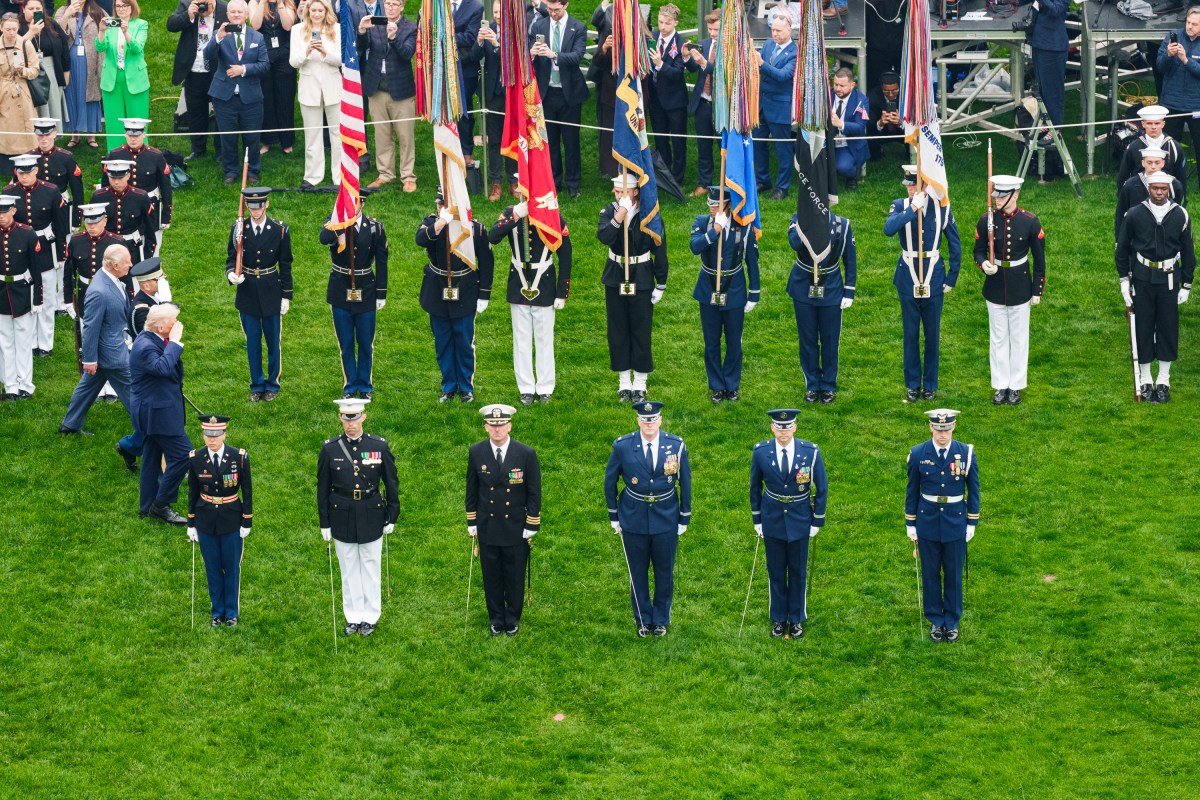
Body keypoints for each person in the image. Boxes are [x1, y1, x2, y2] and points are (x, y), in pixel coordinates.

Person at [604, 400, 691, 638]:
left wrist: (685, 516)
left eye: (653, 420)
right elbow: (609, 481)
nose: (649, 424)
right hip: (633, 517)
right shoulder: (623, 446)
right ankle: (643, 618)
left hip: (666, 517)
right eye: (644, 420)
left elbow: (685, 482)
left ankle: (660, 619)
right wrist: (614, 515)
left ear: (660, 420)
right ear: (638, 421)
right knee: (637, 572)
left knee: (664, 571)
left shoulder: (676, 445)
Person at [316, 398, 400, 637]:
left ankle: (370, 617)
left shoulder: (379, 446)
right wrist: (325, 522)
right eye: (345, 418)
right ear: (340, 418)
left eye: (354, 418)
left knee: (371, 567)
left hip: (371, 511)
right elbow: (322, 488)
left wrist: (392, 515)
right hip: (341, 513)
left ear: (363, 416)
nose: (349, 423)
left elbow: (391, 483)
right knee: (349, 567)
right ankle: (353, 617)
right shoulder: (330, 448)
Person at [884, 164, 962, 403]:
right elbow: (889, 229)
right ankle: (912, 384)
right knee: (910, 334)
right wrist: (913, 209)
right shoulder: (900, 205)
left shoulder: (941, 208)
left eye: (914, 185)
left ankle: (930, 384)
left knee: (932, 334)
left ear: (926, 186)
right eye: (908, 185)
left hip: (934, 275)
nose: (909, 189)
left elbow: (955, 243)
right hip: (908, 275)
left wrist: (952, 276)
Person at [1116, 172, 1196, 403]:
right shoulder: (1134, 214)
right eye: (1155, 189)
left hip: (1169, 279)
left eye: (1163, 189)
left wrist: (1187, 285)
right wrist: (1124, 281)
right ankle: (1145, 379)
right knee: (1143, 326)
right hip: (1142, 278)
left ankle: (1163, 380)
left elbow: (1188, 253)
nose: (1159, 193)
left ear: (1168, 189)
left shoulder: (1180, 214)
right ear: (1149, 189)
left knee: (1167, 327)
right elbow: (1122, 251)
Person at [487, 185, 571, 405]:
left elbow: (566, 254)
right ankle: (525, 388)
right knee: (521, 339)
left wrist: (562, 291)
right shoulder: (509, 213)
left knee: (544, 339)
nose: (522, 192)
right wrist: (516, 215)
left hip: (543, 280)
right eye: (518, 188)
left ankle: (545, 388)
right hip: (519, 280)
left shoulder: (552, 215)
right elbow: (492, 236)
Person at [749, 408, 827, 639]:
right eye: (779, 427)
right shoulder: (761, 452)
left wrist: (817, 520)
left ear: (795, 427)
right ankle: (778, 618)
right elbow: (755, 487)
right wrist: (757, 519)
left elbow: (821, 487)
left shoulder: (810, 452)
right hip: (772, 518)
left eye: (788, 426)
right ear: (773, 428)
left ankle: (796, 618)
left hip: (800, 518)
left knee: (797, 571)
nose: (784, 431)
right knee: (775, 571)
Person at [465, 403, 542, 636]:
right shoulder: (476, 452)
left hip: (515, 526)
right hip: (488, 525)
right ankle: (496, 617)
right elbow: (472, 489)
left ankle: (513, 616)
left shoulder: (525, 453)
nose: (497, 429)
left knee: (514, 574)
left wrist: (532, 523)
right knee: (491, 575)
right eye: (492, 425)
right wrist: (472, 521)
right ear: (485, 427)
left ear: (509, 425)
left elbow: (534, 492)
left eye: (501, 425)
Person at [905, 408, 980, 644]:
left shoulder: (965, 453)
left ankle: (952, 621)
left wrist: (972, 521)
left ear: (953, 427)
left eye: (946, 428)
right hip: (927, 521)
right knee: (930, 574)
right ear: (930, 427)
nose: (942, 434)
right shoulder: (918, 453)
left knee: (953, 574)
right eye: (938, 429)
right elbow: (912, 490)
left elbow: (974, 489)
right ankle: (936, 621)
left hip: (955, 520)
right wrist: (910, 523)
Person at [973, 175, 1046, 405]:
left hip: (1020, 285)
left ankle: (1016, 386)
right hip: (995, 286)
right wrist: (984, 264)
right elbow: (978, 251)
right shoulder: (987, 220)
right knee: (998, 338)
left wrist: (1037, 290)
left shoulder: (1030, 222)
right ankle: (1000, 385)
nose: (997, 200)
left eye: (1002, 196)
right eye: (996, 195)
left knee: (1019, 338)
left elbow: (1039, 259)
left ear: (1015, 195)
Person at [416, 192, 494, 403]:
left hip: (466, 289)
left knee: (464, 342)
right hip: (437, 290)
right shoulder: (432, 223)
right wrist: (442, 222)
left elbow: (487, 263)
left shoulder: (475, 228)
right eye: (441, 203)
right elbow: (420, 240)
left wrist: (484, 294)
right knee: (443, 342)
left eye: (446, 204)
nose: (442, 206)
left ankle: (466, 387)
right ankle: (448, 386)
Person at [598, 174, 669, 403]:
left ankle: (640, 383)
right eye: (616, 192)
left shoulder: (649, 214)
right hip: (616, 275)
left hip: (641, 277)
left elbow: (660, 249)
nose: (618, 196)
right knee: (617, 329)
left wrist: (661, 283)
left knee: (640, 329)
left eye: (622, 192)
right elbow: (604, 237)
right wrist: (620, 215)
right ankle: (623, 382)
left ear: (635, 191)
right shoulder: (610, 211)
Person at [689, 186, 759, 403]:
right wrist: (714, 231)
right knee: (711, 342)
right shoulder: (702, 223)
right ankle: (717, 386)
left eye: (715, 205)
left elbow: (752, 262)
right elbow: (695, 247)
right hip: (707, 288)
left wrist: (754, 293)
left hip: (734, 289)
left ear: (729, 205)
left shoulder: (744, 227)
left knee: (733, 342)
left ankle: (732, 385)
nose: (711, 208)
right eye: (710, 204)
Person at [59, 244, 135, 437]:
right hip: (112, 355)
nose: (131, 265)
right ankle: (149, 427)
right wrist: (90, 359)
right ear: (115, 265)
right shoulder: (99, 291)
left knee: (87, 388)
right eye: (127, 262)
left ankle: (70, 425)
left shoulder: (109, 279)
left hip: (107, 351)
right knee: (133, 390)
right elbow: (90, 328)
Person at [186, 414, 253, 627]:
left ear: (224, 434)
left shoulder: (239, 457)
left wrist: (247, 521)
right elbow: (193, 492)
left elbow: (248, 491)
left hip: (232, 519)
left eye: (216, 435)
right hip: (205, 520)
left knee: (232, 568)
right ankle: (217, 612)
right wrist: (191, 523)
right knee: (213, 568)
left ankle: (231, 612)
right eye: (208, 434)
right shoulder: (196, 458)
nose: (212, 439)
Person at [226, 187, 293, 402]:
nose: (255, 211)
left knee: (273, 343)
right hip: (247, 293)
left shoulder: (280, 230)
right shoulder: (239, 228)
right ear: (246, 206)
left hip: (270, 290)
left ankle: (272, 383)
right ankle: (256, 384)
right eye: (251, 207)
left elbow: (285, 265)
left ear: (267, 205)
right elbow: (230, 257)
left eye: (259, 206)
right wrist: (231, 274)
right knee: (252, 343)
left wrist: (286, 295)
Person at [318, 201, 387, 400]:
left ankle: (365, 386)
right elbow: (324, 238)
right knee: (346, 343)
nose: (352, 205)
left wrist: (381, 293)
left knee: (365, 342)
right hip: (340, 289)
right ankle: (350, 386)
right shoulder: (334, 222)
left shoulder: (375, 227)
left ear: (363, 204)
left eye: (356, 202)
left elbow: (382, 261)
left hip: (366, 289)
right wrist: (342, 222)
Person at [787, 210, 856, 404]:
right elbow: (795, 244)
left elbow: (850, 260)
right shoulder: (799, 219)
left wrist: (849, 291)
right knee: (807, 340)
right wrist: (806, 225)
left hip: (831, 287)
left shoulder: (843, 224)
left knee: (830, 339)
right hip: (803, 286)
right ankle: (811, 384)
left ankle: (828, 385)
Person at [129, 302, 190, 525]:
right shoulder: (146, 346)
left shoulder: (151, 339)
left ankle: (147, 506)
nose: (178, 326)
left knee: (152, 457)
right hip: (157, 414)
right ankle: (161, 505)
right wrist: (175, 342)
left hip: (152, 411)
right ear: (162, 326)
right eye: (174, 322)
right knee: (184, 454)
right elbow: (162, 368)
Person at [4, 153, 68, 358]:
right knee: (27, 297)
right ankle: (30, 342)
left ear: (36, 171)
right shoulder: (9, 193)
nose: (24, 177)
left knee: (47, 296)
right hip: (20, 253)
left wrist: (60, 253)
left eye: (28, 172)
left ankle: (45, 343)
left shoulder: (51, 191)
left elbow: (60, 224)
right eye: (20, 173)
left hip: (45, 249)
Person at [357, 0, 417, 192]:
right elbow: (361, 47)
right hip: (376, 87)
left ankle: (408, 176)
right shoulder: (375, 22)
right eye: (388, 3)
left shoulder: (410, 27)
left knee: (405, 135)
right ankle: (385, 174)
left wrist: (394, 38)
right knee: (382, 135)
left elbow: (407, 53)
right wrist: (361, 31)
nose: (390, 7)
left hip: (401, 89)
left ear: (402, 6)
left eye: (395, 4)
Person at [206, 0, 269, 185]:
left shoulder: (256, 37)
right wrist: (217, 38)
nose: (235, 15)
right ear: (227, 15)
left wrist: (244, 69)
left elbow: (265, 64)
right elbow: (207, 56)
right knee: (228, 137)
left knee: (252, 136)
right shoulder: (219, 34)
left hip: (251, 98)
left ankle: (253, 171)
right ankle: (231, 171)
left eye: (239, 12)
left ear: (246, 14)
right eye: (232, 12)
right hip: (224, 97)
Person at [529, 0, 587, 198]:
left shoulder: (578, 27)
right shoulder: (539, 25)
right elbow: (527, 52)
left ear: (566, 5)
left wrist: (554, 55)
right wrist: (532, 53)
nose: (553, 13)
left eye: (557, 10)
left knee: (571, 142)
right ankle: (554, 183)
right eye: (550, 9)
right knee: (550, 141)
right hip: (546, 93)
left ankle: (573, 185)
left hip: (569, 93)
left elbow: (577, 56)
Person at [167, 0, 229, 162]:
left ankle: (221, 151)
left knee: (221, 111)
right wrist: (188, 15)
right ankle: (198, 148)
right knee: (195, 111)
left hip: (218, 70)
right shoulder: (186, 5)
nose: (204, 5)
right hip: (194, 69)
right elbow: (171, 25)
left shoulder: (225, 8)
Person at [290, 0, 340, 189]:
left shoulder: (337, 28)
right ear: (307, 11)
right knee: (312, 134)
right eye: (314, 10)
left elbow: (342, 60)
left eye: (321, 10)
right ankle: (312, 177)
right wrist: (307, 51)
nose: (317, 14)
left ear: (326, 11)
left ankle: (340, 177)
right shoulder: (297, 30)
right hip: (308, 87)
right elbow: (293, 61)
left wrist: (325, 52)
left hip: (333, 86)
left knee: (337, 134)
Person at [105, 118, 173, 254]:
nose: (133, 139)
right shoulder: (115, 154)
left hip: (151, 206)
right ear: (125, 134)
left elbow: (166, 187)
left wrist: (166, 214)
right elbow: (106, 185)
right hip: (126, 207)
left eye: (136, 135)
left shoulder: (156, 156)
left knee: (153, 246)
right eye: (130, 135)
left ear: (143, 134)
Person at [0, 195, 43, 400]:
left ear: (13, 211)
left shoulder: (27, 234)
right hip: (1, 292)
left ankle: (25, 384)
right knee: (5, 341)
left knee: (24, 341)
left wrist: (37, 298)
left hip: (22, 291)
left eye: (4, 211)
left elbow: (36, 269)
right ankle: (10, 385)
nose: (1, 216)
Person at [94, 0, 149, 151]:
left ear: (132, 7)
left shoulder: (141, 24)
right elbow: (100, 47)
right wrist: (101, 31)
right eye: (118, 6)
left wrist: (125, 32)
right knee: (113, 123)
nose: (122, 9)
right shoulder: (110, 25)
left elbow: (137, 48)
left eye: (125, 5)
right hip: (112, 78)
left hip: (135, 79)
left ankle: (142, 158)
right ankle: (116, 158)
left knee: (137, 121)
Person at [471, 1, 512, 201]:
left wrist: (496, 44)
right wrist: (479, 42)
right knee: (494, 141)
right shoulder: (488, 30)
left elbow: (512, 59)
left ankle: (514, 181)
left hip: (510, 93)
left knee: (512, 138)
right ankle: (496, 183)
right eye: (495, 11)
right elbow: (473, 56)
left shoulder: (515, 31)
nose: (497, 15)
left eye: (500, 11)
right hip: (492, 94)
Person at [29, 118, 86, 263]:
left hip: (62, 206)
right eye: (40, 135)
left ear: (54, 134)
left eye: (47, 134)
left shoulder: (65, 157)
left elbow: (77, 190)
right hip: (37, 207)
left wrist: (76, 218)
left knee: (64, 243)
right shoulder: (29, 158)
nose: (44, 139)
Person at [643, 3, 686, 186]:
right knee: (660, 139)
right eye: (660, 22)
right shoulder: (652, 37)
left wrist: (660, 64)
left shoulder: (681, 43)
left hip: (675, 101)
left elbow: (678, 73)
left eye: (667, 23)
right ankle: (664, 173)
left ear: (675, 23)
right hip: (656, 99)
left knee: (678, 141)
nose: (663, 27)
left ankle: (678, 177)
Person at [1157, 8, 1200, 191]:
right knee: (1168, 149)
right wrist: (1168, 55)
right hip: (1172, 104)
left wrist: (1185, 60)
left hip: (1196, 105)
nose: (1189, 27)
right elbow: (1159, 67)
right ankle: (1167, 185)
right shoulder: (1171, 37)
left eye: (1195, 24)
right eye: (1188, 22)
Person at [754, 14, 796, 201]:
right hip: (762, 104)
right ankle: (762, 180)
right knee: (758, 143)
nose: (775, 34)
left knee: (783, 149)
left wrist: (761, 63)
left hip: (780, 107)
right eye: (773, 29)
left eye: (779, 30)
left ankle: (782, 187)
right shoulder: (768, 45)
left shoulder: (795, 53)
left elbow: (782, 76)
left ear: (789, 30)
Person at [1026, 0, 1068, 181]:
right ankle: (1046, 123)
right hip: (1039, 42)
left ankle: (1055, 129)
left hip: (1053, 45)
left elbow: (1057, 9)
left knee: (1053, 92)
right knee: (1043, 91)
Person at [249, 0, 297, 156]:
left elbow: (287, 26)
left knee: (285, 99)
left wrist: (281, 4)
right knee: (266, 100)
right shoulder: (254, 3)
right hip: (263, 55)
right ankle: (267, 140)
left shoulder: (288, 3)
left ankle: (286, 141)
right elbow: (255, 26)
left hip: (284, 55)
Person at [56, 0, 104, 150]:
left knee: (90, 95)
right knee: (72, 94)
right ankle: (74, 134)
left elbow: (106, 34)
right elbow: (56, 33)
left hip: (91, 59)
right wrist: (68, 14)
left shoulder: (97, 11)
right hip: (70, 61)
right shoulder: (62, 10)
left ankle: (91, 135)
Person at [682, 9, 719, 197]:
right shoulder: (704, 43)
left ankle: (729, 184)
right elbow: (693, 68)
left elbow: (724, 74)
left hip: (721, 107)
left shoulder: (730, 47)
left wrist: (705, 64)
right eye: (710, 29)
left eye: (716, 30)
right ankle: (704, 183)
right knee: (704, 146)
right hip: (702, 103)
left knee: (725, 147)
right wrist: (687, 57)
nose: (712, 34)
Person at [90, 159, 157, 262]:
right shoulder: (98, 197)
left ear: (128, 176)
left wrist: (147, 255)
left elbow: (150, 229)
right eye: (112, 177)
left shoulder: (140, 197)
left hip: (131, 247)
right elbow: (92, 225)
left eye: (120, 178)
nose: (116, 182)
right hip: (106, 247)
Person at [1115, 147, 1185, 239]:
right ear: (1143, 163)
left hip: (1166, 235)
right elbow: (1121, 213)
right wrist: (1119, 239)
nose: (1153, 166)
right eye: (1149, 162)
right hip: (1137, 235)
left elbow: (1179, 212)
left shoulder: (1174, 185)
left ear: (1163, 163)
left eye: (1157, 162)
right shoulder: (1130, 185)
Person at [1116, 105, 1188, 193]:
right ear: (1143, 124)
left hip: (1166, 198)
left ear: (1163, 124)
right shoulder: (1133, 147)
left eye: (1157, 123)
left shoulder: (1175, 147)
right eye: (1149, 123)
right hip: (1138, 197)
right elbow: (1123, 176)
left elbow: (1181, 179)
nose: (1153, 127)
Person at [20, 0, 71, 123]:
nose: (35, 11)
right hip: (28, 73)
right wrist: (31, 32)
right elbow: (14, 49)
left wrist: (66, 72)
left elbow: (64, 46)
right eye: (31, 8)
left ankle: (50, 141)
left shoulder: (51, 24)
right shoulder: (17, 25)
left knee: (52, 107)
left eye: (38, 8)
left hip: (52, 70)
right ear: (23, 9)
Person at [0, 13, 39, 172]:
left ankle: (28, 164)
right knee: (5, 129)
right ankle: (6, 166)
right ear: (1, 27)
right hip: (2, 91)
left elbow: (35, 70)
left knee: (26, 128)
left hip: (22, 92)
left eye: (14, 29)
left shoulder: (25, 44)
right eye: (7, 29)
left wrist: (23, 71)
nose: (11, 32)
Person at [450, 0, 482, 165]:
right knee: (444, 110)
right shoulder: (437, 4)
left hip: (465, 68)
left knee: (464, 112)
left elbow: (471, 36)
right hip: (441, 67)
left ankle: (466, 151)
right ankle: (447, 148)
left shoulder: (475, 7)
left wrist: (444, 36)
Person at [587, 0, 616, 178]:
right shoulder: (607, 11)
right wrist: (605, 3)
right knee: (605, 123)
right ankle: (607, 167)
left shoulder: (635, 12)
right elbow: (595, 20)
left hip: (625, 78)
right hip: (605, 75)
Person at [830, 67, 869, 190]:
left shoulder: (861, 101)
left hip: (848, 144)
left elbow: (860, 127)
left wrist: (840, 124)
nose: (837, 88)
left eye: (842, 85)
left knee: (843, 167)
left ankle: (851, 176)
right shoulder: (826, 95)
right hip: (827, 141)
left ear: (852, 85)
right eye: (835, 84)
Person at [867, 71, 903, 162]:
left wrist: (901, 122)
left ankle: (911, 155)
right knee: (870, 137)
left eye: (894, 91)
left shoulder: (907, 95)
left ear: (900, 87)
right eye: (886, 91)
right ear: (881, 88)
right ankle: (876, 154)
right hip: (881, 131)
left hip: (902, 130)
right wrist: (880, 123)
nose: (890, 94)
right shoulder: (872, 97)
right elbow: (869, 124)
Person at [129, 254, 162, 335]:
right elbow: (158, 334)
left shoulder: (155, 297)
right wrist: (167, 303)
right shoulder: (142, 310)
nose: (163, 282)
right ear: (146, 286)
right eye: (158, 280)